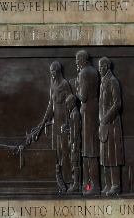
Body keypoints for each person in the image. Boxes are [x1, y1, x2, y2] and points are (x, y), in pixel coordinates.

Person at [32, 61, 73, 193]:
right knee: (57, 152)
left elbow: (70, 104)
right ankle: (59, 179)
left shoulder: (65, 84)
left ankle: (70, 180)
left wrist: (68, 124)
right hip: (56, 124)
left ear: (58, 71)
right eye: (50, 72)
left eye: (53, 72)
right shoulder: (53, 86)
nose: (52, 74)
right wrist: (43, 122)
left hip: (64, 124)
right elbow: (51, 106)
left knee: (66, 152)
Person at [75, 50, 100, 195]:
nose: (76, 63)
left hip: (88, 115)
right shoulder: (94, 72)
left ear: (82, 60)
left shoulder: (83, 73)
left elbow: (83, 96)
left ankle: (93, 186)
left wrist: (76, 87)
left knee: (90, 152)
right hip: (93, 113)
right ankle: (88, 186)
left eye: (77, 60)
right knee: (90, 151)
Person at [97, 57, 123, 196]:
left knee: (113, 155)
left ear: (107, 67)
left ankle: (116, 185)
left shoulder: (113, 81)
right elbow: (101, 103)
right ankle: (107, 184)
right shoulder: (103, 82)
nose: (99, 69)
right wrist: (101, 119)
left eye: (101, 67)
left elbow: (117, 103)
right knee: (105, 155)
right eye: (99, 67)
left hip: (112, 123)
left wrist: (106, 118)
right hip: (104, 123)